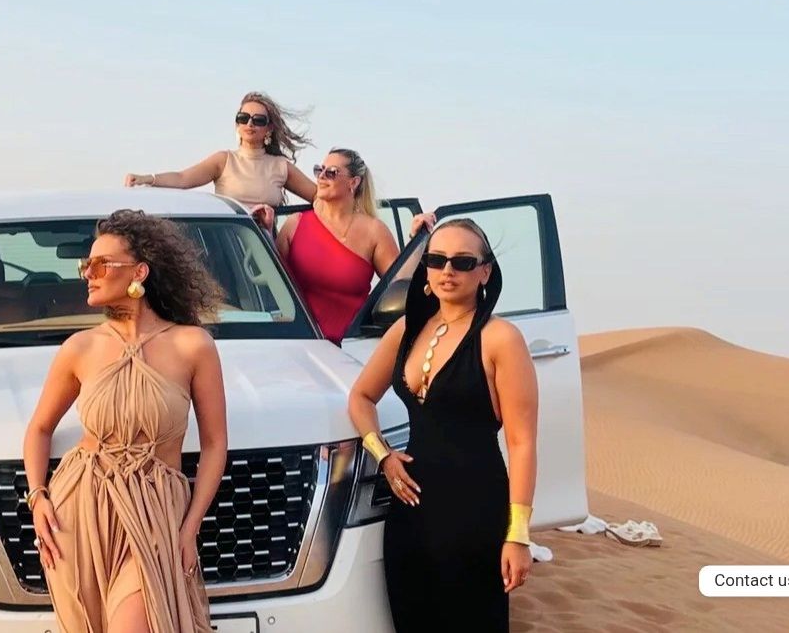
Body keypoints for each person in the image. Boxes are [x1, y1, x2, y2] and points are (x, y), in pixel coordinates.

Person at [24, 210, 228, 633]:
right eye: (86, 265)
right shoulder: (80, 348)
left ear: (139, 271)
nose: (88, 274)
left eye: (101, 264)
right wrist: (38, 497)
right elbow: (39, 428)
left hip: (155, 509)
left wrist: (190, 528)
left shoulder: (193, 345)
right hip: (79, 509)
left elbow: (213, 445)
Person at [345, 220, 539, 632]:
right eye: (437, 260)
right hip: (410, 514)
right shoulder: (406, 330)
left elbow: (522, 442)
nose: (448, 270)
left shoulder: (501, 338)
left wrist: (517, 534)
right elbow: (360, 399)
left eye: (463, 262)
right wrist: (382, 455)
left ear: (485, 271)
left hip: (475, 513)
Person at [276, 148, 433, 344]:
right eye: (319, 170)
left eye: (331, 172)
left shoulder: (374, 231)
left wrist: (417, 239)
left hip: (351, 346)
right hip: (298, 343)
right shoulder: (294, 224)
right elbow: (270, 287)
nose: (321, 177)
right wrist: (264, 228)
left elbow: (401, 285)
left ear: (354, 182)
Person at [124, 92, 314, 230]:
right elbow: (183, 178)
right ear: (237, 123)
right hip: (229, 244)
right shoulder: (224, 160)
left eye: (258, 120)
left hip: (266, 248)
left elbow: (320, 197)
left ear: (269, 129)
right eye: (243, 118)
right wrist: (147, 179)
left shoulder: (280, 166)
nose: (249, 124)